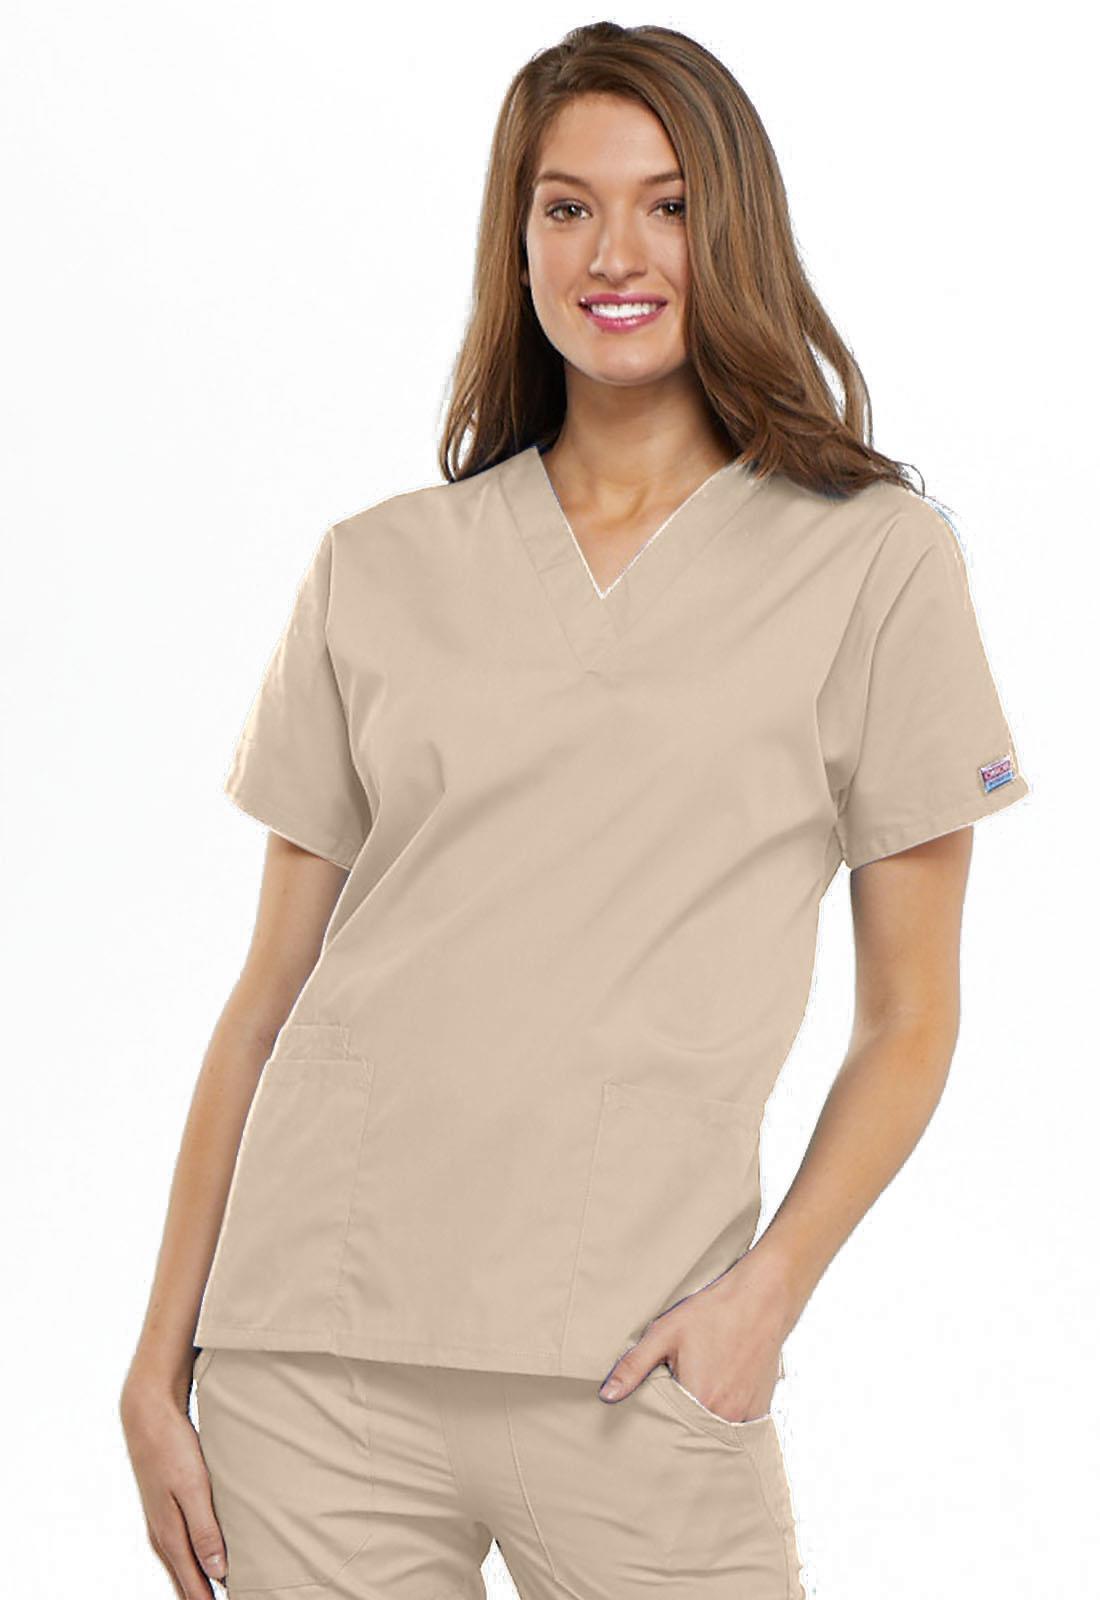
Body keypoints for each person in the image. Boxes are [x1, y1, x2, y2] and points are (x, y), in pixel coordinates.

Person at [119, 21, 1029, 1600]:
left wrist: (765, 1301)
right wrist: (158, 1361)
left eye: (669, 205)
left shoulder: (874, 560)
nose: (618, 253)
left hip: (640, 1364)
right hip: (313, 1355)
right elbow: (268, 993)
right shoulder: (376, 565)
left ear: (734, 230)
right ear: (518, 237)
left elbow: (911, 1019)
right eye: (568, 207)